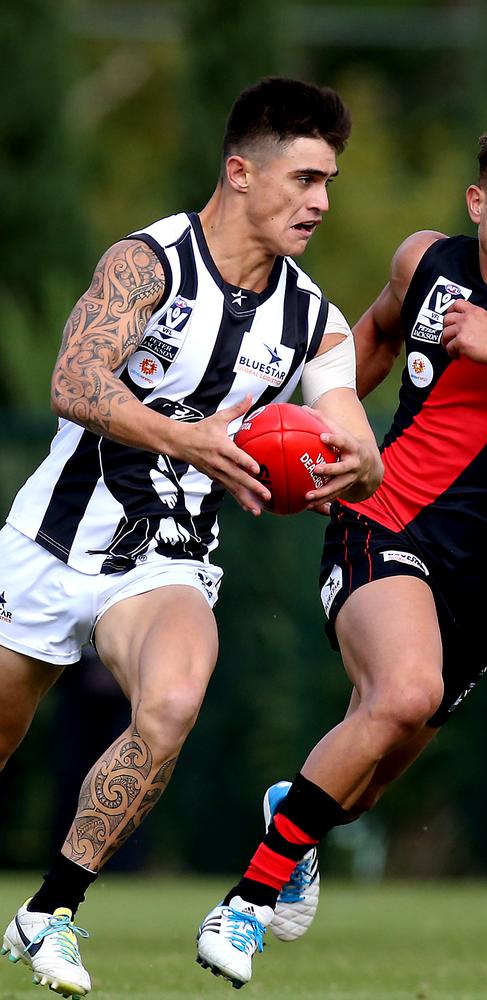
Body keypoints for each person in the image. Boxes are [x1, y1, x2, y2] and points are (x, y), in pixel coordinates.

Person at [197, 120, 487, 987]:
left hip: (486, 585)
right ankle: (244, 906)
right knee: (405, 692)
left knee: (362, 786)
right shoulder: (424, 262)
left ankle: (289, 816)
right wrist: (305, 448)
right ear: (477, 203)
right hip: (384, 518)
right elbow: (360, 345)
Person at [0, 76, 383, 999]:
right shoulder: (150, 263)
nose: (321, 202)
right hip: (50, 544)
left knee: (170, 705)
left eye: (329, 182)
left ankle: (48, 913)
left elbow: (347, 421)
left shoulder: (311, 320)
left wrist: (356, 462)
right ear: (241, 172)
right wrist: (191, 437)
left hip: (168, 560)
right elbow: (74, 381)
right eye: (304, 179)